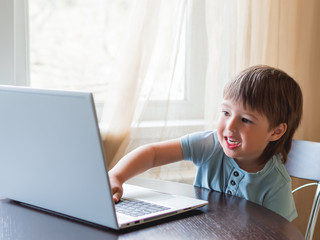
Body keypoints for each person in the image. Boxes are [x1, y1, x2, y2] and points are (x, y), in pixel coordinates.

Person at [108, 65, 303, 222]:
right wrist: (116, 175)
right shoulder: (209, 145)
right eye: (226, 113)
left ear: (276, 131)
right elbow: (153, 154)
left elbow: (281, 233)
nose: (230, 126)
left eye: (245, 120)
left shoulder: (276, 183)